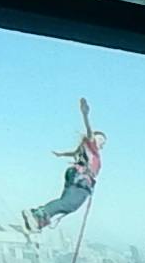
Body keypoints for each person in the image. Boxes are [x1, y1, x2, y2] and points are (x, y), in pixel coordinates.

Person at [25, 97, 102, 235]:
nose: (102, 143)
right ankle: (38, 216)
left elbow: (73, 153)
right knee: (69, 204)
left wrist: (61, 155)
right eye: (101, 140)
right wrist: (85, 115)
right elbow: (90, 131)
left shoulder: (88, 150)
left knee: (65, 203)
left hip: (76, 178)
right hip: (80, 180)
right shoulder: (92, 146)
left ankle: (38, 218)